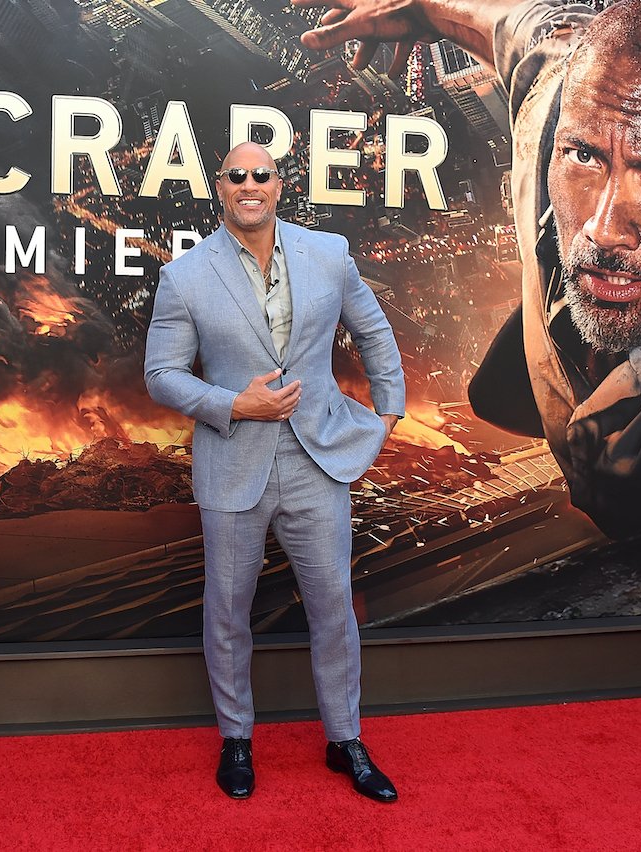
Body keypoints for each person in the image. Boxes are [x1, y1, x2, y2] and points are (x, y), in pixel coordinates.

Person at [294, 0, 641, 584]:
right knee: (493, 392)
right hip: (581, 362)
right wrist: (422, 8)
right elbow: (514, 29)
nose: (602, 227)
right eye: (585, 156)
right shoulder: (570, 96)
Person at [144, 142, 406, 801]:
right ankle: (236, 739)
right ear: (221, 187)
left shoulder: (329, 253)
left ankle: (345, 740)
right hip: (234, 459)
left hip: (319, 458)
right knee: (228, 611)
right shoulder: (185, 275)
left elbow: (374, 331)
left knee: (333, 608)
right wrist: (235, 404)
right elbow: (162, 374)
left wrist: (389, 412)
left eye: (261, 174)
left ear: (278, 186)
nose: (250, 184)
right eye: (237, 175)